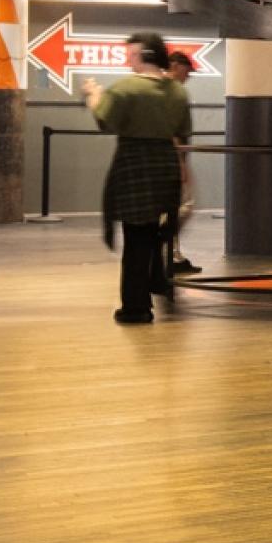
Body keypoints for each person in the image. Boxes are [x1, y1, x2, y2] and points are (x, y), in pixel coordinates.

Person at [85, 34, 190, 325]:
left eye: (131, 55)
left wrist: (93, 96)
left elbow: (106, 120)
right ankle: (157, 282)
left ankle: (135, 307)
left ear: (144, 54)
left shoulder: (126, 89)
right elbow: (182, 132)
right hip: (166, 165)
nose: (128, 61)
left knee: (136, 237)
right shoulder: (179, 93)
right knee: (156, 233)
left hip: (135, 164)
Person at [162, 49, 202, 277]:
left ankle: (172, 252)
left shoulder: (163, 89)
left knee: (175, 207)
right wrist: (180, 163)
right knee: (183, 205)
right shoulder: (173, 92)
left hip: (170, 157)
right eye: (186, 71)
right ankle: (167, 250)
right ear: (176, 66)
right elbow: (171, 130)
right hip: (174, 158)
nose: (188, 76)